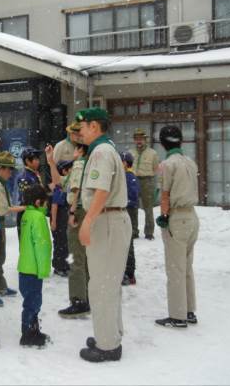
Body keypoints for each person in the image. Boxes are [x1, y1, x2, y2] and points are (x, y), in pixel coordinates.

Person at [76, 108, 131, 362]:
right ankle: (110, 334)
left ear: (95, 126)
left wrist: (88, 220)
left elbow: (100, 191)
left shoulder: (100, 151)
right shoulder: (107, 148)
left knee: (101, 284)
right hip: (111, 218)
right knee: (108, 282)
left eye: (83, 126)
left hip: (105, 219)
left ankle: (107, 345)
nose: (80, 131)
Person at [153, 126, 199, 328]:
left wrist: (163, 216)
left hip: (176, 217)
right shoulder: (190, 162)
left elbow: (165, 195)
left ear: (163, 143)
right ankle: (189, 310)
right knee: (187, 266)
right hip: (192, 215)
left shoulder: (167, 165)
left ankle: (177, 315)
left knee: (175, 268)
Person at [58, 141, 91, 318]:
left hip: (78, 210)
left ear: (80, 150)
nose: (73, 153)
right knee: (85, 257)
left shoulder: (79, 164)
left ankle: (78, 300)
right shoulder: (92, 163)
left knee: (75, 257)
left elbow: (75, 189)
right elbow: (63, 183)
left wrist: (71, 211)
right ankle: (87, 295)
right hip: (89, 211)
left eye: (75, 149)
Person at [18, 183, 52, 347]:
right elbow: (41, 244)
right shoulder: (37, 218)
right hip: (33, 268)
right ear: (39, 202)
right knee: (33, 303)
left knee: (31, 301)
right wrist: (43, 269)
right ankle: (28, 334)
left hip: (25, 266)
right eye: (45, 202)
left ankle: (32, 330)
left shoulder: (27, 215)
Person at [0, 152, 25, 306]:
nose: (11, 173)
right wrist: (21, 208)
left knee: (0, 255)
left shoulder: (1, 183)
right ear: (0, 169)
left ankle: (0, 285)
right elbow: (3, 209)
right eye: (8, 169)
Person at [45, 147, 72, 277]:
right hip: (59, 217)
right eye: (69, 169)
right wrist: (54, 221)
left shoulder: (66, 185)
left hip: (64, 217)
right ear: (64, 171)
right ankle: (58, 266)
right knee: (60, 242)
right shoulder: (59, 187)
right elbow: (54, 205)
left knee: (64, 242)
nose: (71, 171)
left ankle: (64, 264)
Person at [130, 128, 159, 240]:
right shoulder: (130, 153)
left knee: (148, 208)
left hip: (147, 181)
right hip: (133, 180)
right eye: (137, 139)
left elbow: (156, 169)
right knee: (133, 208)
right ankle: (134, 232)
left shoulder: (153, 153)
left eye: (141, 139)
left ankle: (149, 232)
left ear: (145, 140)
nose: (139, 141)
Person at [121, 151, 139, 286]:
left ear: (126, 163)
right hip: (126, 210)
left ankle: (129, 273)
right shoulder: (126, 176)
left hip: (128, 210)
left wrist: (124, 202)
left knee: (127, 241)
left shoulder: (129, 176)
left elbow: (133, 195)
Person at [17, 147, 43, 232]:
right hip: (27, 214)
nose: (38, 161)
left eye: (38, 159)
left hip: (35, 212)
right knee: (27, 243)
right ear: (27, 161)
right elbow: (26, 198)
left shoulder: (34, 174)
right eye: (35, 159)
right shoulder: (24, 177)